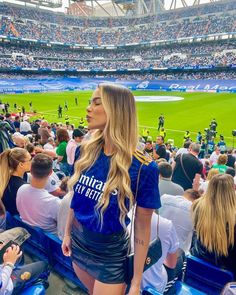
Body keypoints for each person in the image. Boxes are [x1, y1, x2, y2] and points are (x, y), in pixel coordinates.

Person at [62, 84, 161, 295]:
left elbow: (143, 227)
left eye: (97, 102)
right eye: (90, 102)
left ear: (117, 109)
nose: (89, 108)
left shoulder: (143, 167)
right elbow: (76, 199)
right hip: (79, 243)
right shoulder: (84, 151)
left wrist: (136, 281)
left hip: (110, 255)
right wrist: (67, 233)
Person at [191, 174, 236, 278]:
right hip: (227, 272)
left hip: (199, 264)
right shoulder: (232, 216)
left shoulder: (198, 206)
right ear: (232, 190)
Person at [16, 153, 61, 235]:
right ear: (51, 173)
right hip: (49, 241)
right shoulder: (54, 202)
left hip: (28, 234)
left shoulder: (21, 189)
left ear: (31, 170)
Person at [0, 148, 32, 215]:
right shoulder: (21, 186)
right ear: (21, 164)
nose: (32, 162)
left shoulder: (6, 178)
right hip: (19, 221)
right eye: (30, 160)